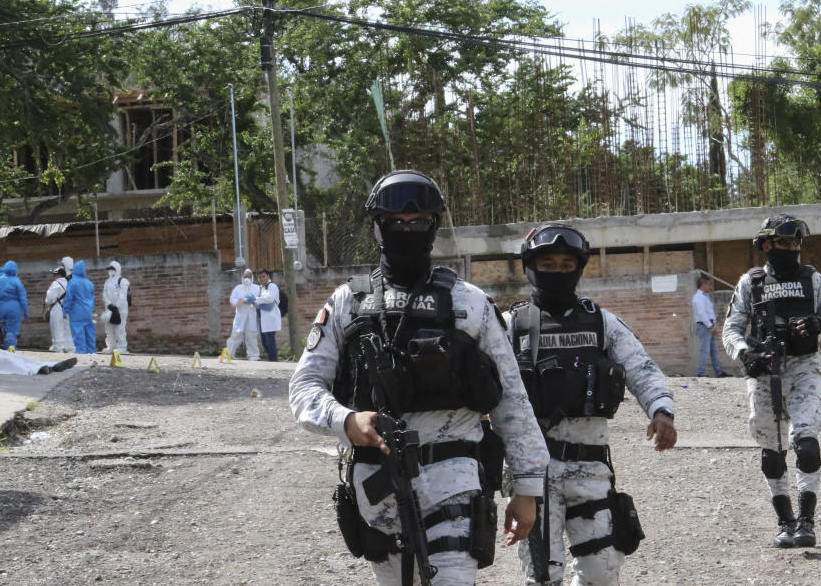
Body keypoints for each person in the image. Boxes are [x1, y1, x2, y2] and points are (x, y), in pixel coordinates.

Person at [290, 170, 548, 585]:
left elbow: (511, 400)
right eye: (395, 223)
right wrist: (346, 421)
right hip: (378, 487)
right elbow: (304, 387)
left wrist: (528, 487)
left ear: (434, 227)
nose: (406, 230)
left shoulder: (470, 303)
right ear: (378, 227)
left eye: (418, 222)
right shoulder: (348, 303)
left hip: (455, 484)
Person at [504, 223, 677, 586]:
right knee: (542, 575)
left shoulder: (601, 322)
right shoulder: (510, 326)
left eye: (567, 265)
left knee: (603, 571)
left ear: (578, 269)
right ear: (531, 267)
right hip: (535, 472)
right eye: (547, 264)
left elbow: (641, 367)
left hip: (592, 468)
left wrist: (661, 410)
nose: (557, 272)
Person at [722, 214, 821, 548]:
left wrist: (819, 323)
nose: (792, 249)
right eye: (784, 243)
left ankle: (806, 521)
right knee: (772, 453)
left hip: (805, 368)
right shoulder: (751, 283)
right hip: (765, 374)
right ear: (767, 246)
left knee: (805, 444)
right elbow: (731, 329)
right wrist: (746, 354)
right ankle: (784, 521)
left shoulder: (813, 280)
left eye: (796, 243)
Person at [692, 273, 728, 378]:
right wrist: (710, 326)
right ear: (703, 285)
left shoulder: (705, 296)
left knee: (713, 351)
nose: (711, 287)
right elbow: (702, 314)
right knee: (705, 350)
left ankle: (719, 372)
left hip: (708, 325)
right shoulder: (699, 297)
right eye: (709, 285)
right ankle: (701, 373)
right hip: (705, 326)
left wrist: (713, 325)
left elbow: (708, 313)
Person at [0, 260, 29, 350]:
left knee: (5, 330)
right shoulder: (16, 281)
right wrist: (26, 312)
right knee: (12, 331)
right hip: (13, 308)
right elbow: (22, 298)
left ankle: (5, 348)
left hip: (0, 308)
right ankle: (11, 350)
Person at [227, 268, 260, 361]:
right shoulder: (238, 288)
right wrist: (240, 301)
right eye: (245, 276)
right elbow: (232, 300)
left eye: (249, 276)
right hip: (240, 316)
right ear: (242, 277)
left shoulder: (257, 288)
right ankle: (229, 354)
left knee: (251, 335)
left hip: (252, 315)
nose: (247, 278)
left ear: (252, 277)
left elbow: (259, 299)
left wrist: (251, 300)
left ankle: (253, 355)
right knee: (236, 334)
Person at [63, 260, 96, 354]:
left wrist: (65, 310)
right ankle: (92, 351)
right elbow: (92, 297)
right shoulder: (90, 283)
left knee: (78, 333)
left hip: (77, 312)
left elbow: (69, 298)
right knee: (90, 333)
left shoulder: (72, 282)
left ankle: (81, 352)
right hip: (89, 312)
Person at [100, 260, 130, 354]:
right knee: (109, 328)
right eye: (109, 269)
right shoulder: (107, 281)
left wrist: (116, 305)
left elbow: (122, 295)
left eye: (113, 269)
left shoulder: (123, 281)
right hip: (109, 309)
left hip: (121, 310)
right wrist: (109, 305)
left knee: (120, 328)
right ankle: (111, 346)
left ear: (117, 269)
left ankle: (122, 346)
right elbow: (104, 294)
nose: (111, 271)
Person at [45, 267, 73, 353]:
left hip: (57, 308)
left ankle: (58, 347)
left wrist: (47, 302)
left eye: (54, 274)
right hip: (68, 309)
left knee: (56, 328)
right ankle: (69, 347)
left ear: (59, 275)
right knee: (68, 329)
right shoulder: (69, 283)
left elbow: (49, 299)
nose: (53, 276)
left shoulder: (55, 283)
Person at [255, 268, 280, 361]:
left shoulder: (272, 286)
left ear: (268, 276)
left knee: (270, 340)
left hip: (270, 317)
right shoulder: (261, 288)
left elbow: (269, 299)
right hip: (261, 317)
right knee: (264, 342)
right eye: (259, 277)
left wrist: (255, 299)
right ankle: (271, 360)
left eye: (263, 276)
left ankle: (274, 361)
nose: (261, 279)